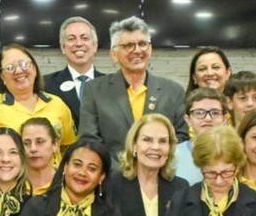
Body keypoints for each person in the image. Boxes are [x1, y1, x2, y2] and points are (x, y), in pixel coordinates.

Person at [79, 16, 186, 148]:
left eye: (142, 44)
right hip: (113, 168)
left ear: (150, 49)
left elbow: (181, 139)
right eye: (128, 45)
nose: (137, 50)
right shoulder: (95, 90)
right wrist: (123, 168)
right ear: (114, 54)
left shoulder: (173, 92)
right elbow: (89, 141)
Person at [0, 44, 78, 148]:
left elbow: (69, 148)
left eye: (24, 64)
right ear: (2, 77)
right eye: (10, 67)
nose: (18, 71)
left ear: (35, 68)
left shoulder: (57, 104)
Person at [44, 16, 97, 126]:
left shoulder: (112, 84)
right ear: (63, 47)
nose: (78, 44)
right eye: (71, 39)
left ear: (95, 46)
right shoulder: (46, 85)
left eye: (85, 38)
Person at [170, 87, 230, 183]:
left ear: (225, 119)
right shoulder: (173, 155)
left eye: (215, 113)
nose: (208, 118)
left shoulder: (235, 153)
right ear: (188, 119)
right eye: (199, 113)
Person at [21, 116, 61, 196]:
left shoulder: (66, 183)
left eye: (40, 142)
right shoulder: (12, 183)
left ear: (54, 145)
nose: (33, 149)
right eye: (26, 143)